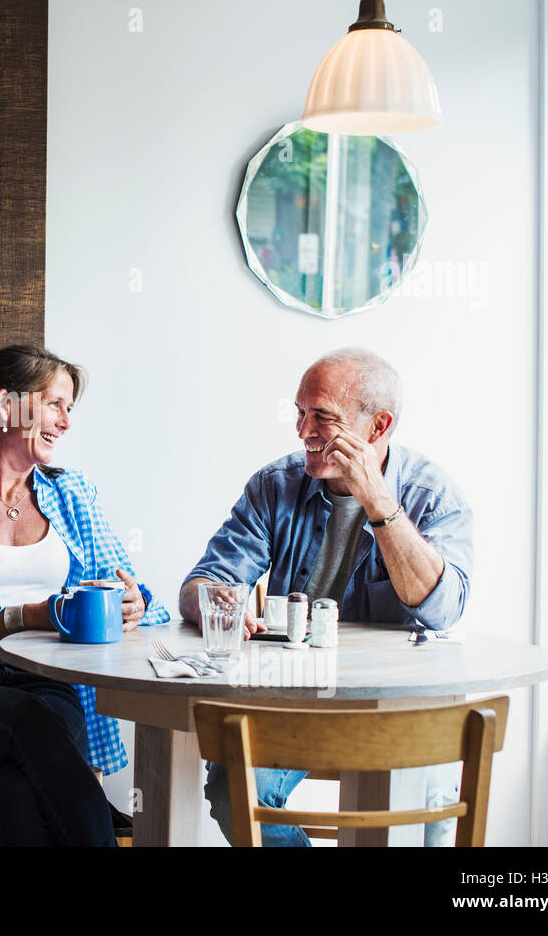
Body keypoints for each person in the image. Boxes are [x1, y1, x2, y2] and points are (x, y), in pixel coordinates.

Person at [180, 348, 473, 846]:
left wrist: (378, 501)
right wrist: (217, 601)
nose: (303, 430)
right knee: (234, 786)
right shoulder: (276, 486)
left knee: (432, 813)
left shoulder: (432, 495)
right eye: (300, 412)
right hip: (297, 703)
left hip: (398, 708)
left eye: (323, 417)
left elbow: (442, 609)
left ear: (378, 426)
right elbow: (200, 583)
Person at [0, 344, 170, 846]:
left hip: (50, 688)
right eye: (54, 404)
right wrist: (27, 616)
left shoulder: (73, 493)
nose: (66, 422)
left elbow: (128, 580)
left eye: (70, 409)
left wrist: (136, 601)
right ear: (4, 406)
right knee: (31, 727)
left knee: (25, 783)